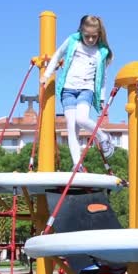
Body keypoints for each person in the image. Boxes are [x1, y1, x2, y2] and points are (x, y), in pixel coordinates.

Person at [40, 15, 115, 172]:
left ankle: (103, 137)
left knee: (81, 119)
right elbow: (57, 55)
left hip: (86, 89)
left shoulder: (100, 51)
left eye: (94, 37)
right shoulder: (73, 41)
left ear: (99, 34)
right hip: (68, 89)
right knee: (71, 127)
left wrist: (101, 97)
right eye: (87, 36)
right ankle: (77, 164)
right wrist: (46, 75)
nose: (90, 39)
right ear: (81, 31)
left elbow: (102, 77)